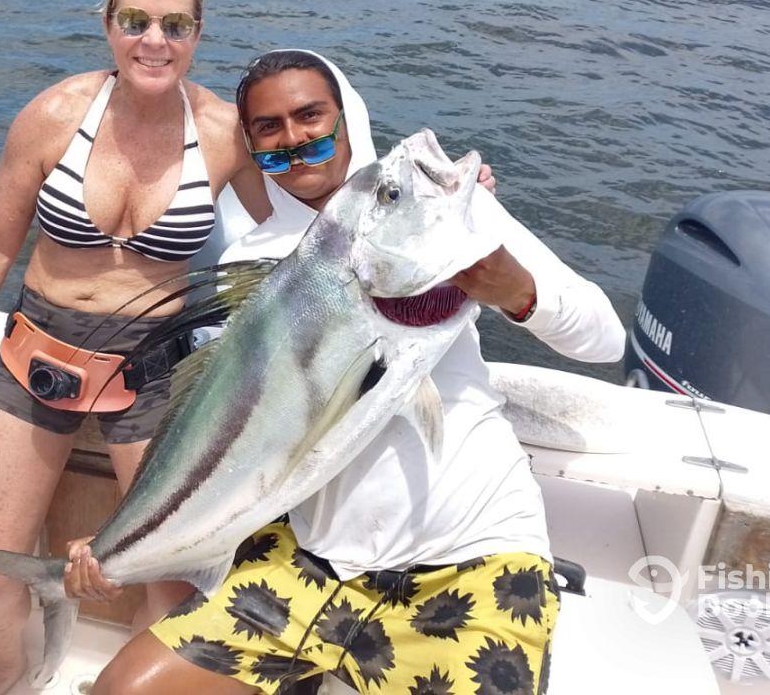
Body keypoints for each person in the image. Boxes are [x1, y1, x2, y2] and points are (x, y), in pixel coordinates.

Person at [72, 49, 625, 695]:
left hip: (473, 558)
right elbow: (222, 427)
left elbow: (604, 337)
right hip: (309, 566)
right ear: (252, 146)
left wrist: (517, 288)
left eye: (311, 115)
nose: (295, 138)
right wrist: (115, 543)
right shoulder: (255, 268)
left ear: (346, 115)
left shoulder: (452, 219)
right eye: (269, 129)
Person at [0, 0, 271, 695]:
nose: (154, 41)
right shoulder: (53, 116)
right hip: (40, 354)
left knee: (171, 591)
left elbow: (299, 217)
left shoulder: (225, 134)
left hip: (155, 367)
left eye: (175, 25)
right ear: (107, 25)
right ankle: (12, 667)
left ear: (198, 35)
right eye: (136, 20)